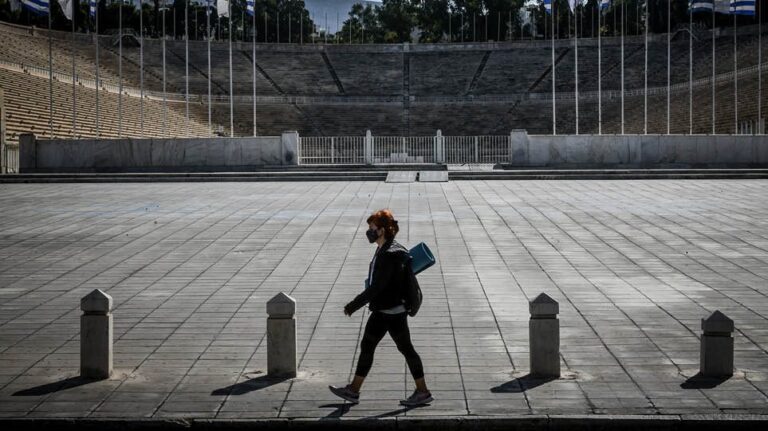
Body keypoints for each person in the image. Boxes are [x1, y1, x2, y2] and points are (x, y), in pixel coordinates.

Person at [329, 209, 433, 407]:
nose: (369, 232)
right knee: (372, 348)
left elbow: (377, 287)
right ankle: (354, 390)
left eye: (372, 228)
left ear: (382, 230)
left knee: (402, 350)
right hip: (388, 310)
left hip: (389, 311)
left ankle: (422, 391)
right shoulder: (387, 248)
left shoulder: (389, 255)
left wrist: (353, 305)